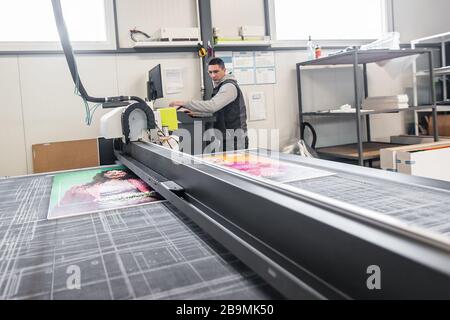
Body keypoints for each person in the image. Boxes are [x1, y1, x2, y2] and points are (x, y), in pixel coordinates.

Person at [169, 58, 248, 151]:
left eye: (216, 71)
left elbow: (212, 106)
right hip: (226, 137)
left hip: (236, 139)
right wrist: (197, 113)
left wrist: (184, 103)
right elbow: (218, 111)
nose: (213, 75)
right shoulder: (220, 86)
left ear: (224, 70)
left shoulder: (229, 87)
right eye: (210, 72)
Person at [52, 168, 160, 216]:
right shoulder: (81, 189)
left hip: (139, 214)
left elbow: (154, 192)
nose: (116, 172)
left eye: (119, 171)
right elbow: (59, 208)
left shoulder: (136, 181)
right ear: (105, 174)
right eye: (111, 171)